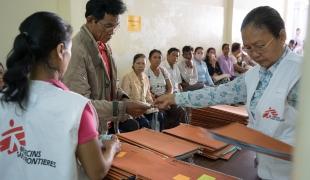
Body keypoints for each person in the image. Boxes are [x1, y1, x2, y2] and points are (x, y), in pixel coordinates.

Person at [155, 6, 301, 180]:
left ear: (281, 36)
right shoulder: (256, 74)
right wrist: (175, 97)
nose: (254, 54)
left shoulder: (300, 74)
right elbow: (217, 93)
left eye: (260, 46)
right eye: (248, 48)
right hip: (264, 170)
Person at [0, 11, 121, 180]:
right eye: (70, 51)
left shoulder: (5, 98)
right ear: (60, 50)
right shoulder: (76, 107)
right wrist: (112, 148)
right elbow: (97, 171)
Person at [63, 0, 149, 134]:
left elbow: (112, 84)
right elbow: (81, 105)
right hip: (87, 132)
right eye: (108, 26)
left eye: (116, 26)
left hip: (106, 126)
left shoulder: (104, 46)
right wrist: (123, 108)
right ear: (91, 20)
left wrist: (125, 99)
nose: (113, 32)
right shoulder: (76, 51)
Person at [146, 49, 188, 130]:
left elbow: (170, 87)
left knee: (181, 111)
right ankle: (165, 136)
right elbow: (147, 91)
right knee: (162, 115)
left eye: (159, 57)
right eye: (154, 57)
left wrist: (167, 98)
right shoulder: (146, 72)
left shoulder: (163, 70)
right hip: (154, 100)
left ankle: (183, 132)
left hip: (166, 97)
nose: (157, 59)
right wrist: (158, 101)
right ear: (149, 59)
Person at [121, 53, 164, 129]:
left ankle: (157, 138)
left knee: (159, 115)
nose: (141, 66)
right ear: (133, 64)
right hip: (132, 109)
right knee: (145, 123)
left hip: (145, 107)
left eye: (143, 64)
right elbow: (126, 99)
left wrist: (154, 105)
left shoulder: (145, 77)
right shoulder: (127, 77)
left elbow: (148, 97)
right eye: (138, 63)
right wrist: (137, 110)